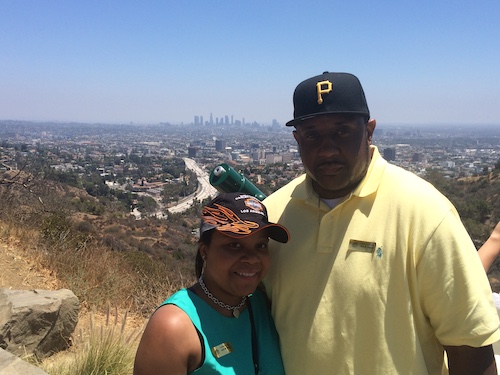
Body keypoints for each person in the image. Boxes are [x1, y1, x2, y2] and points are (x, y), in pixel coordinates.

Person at [262, 71, 500, 374]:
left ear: (369, 131)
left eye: (342, 131)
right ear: (297, 139)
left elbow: (470, 351)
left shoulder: (424, 213)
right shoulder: (273, 216)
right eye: (312, 134)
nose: (327, 149)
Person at [133, 192, 289, 375]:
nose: (252, 259)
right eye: (235, 245)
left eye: (261, 245)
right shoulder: (174, 327)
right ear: (205, 251)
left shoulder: (261, 303)